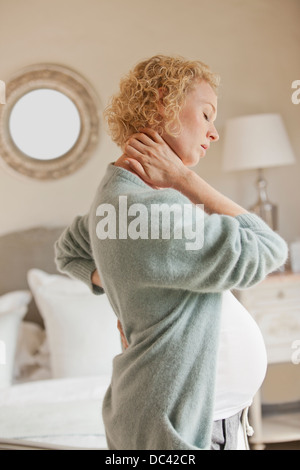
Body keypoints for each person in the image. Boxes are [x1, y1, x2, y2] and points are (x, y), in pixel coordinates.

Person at [54, 55, 288, 450]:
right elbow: (267, 249)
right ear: (163, 102)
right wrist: (187, 180)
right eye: (207, 114)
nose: (214, 133)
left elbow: (69, 251)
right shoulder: (148, 210)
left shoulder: (123, 196)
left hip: (204, 417)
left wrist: (122, 284)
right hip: (184, 428)